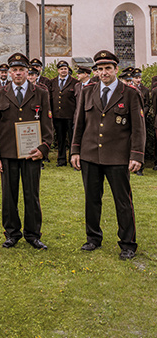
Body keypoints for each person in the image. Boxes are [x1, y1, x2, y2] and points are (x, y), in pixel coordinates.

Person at [71, 50, 145, 260]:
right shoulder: (88, 91)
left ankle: (127, 243)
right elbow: (79, 124)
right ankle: (93, 238)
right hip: (90, 154)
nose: (103, 73)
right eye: (100, 69)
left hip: (118, 157)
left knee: (122, 201)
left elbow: (138, 129)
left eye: (107, 69)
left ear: (116, 70)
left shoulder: (129, 93)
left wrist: (137, 155)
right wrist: (75, 150)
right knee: (92, 199)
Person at [0, 53, 53, 250]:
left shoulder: (40, 93)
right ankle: (12, 233)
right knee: (9, 196)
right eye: (14, 70)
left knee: (31, 194)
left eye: (22, 70)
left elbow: (47, 124)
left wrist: (44, 148)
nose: (18, 73)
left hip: (31, 153)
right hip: (8, 153)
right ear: (9, 73)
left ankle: (33, 234)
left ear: (28, 72)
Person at [50, 60, 78, 167]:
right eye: (61, 69)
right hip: (57, 116)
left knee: (71, 139)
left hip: (70, 115)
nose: (63, 71)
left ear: (68, 70)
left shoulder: (74, 82)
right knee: (60, 139)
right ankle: (61, 160)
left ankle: (72, 159)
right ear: (58, 70)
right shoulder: (52, 82)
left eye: (65, 69)